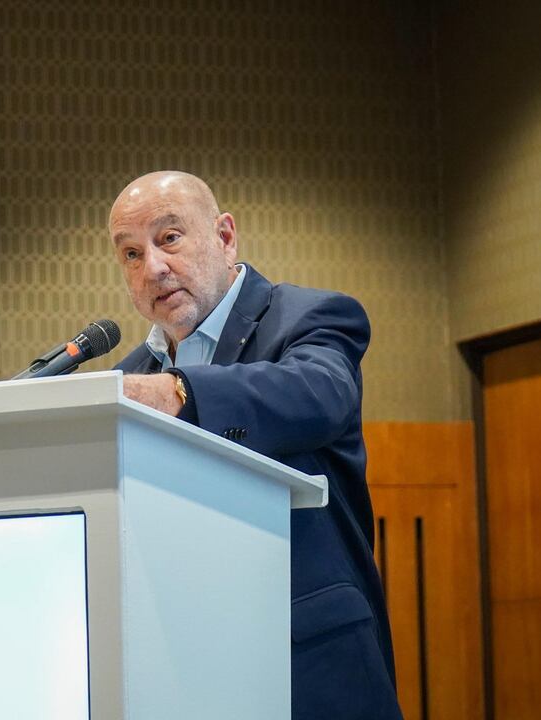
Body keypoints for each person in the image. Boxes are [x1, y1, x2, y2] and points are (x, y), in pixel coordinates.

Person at [111, 171, 402, 720]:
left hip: (307, 662)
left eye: (169, 238)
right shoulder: (131, 376)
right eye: (130, 253)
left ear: (224, 236)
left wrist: (180, 392)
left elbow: (319, 394)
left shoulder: (310, 317)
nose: (152, 267)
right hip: (182, 665)